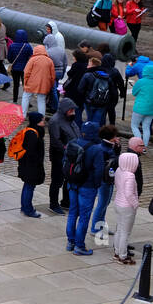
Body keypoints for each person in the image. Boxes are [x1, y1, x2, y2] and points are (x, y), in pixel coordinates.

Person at [66, 123, 105, 256]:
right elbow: (99, 170)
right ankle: (79, 246)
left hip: (72, 184)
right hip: (87, 187)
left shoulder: (73, 143)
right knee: (84, 217)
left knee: (72, 213)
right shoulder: (96, 149)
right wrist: (96, 184)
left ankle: (70, 242)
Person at [47, 99, 80, 214]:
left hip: (71, 155)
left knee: (68, 179)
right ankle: (53, 204)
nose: (73, 112)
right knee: (57, 181)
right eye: (71, 110)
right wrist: (67, 149)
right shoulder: (55, 121)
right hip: (59, 157)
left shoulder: (69, 119)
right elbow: (56, 141)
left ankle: (66, 202)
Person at [16, 112, 46, 217]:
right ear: (37, 121)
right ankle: (27, 209)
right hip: (31, 166)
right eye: (42, 120)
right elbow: (31, 152)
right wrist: (37, 165)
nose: (44, 122)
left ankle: (25, 207)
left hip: (29, 165)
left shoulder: (34, 131)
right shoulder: (32, 134)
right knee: (29, 187)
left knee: (28, 186)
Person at [111, 150, 140, 265]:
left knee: (119, 230)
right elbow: (129, 194)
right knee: (125, 233)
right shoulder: (130, 176)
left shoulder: (119, 170)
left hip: (118, 203)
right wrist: (136, 203)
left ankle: (117, 253)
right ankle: (123, 257)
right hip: (127, 207)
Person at [22, 42, 54, 116]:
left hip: (31, 83)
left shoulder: (32, 59)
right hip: (44, 84)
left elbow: (26, 72)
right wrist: (50, 85)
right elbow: (53, 76)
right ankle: (41, 118)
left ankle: (23, 115)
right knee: (41, 100)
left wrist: (25, 82)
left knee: (26, 97)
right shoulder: (50, 61)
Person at [131, 69, 153, 145]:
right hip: (151, 109)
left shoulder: (141, 81)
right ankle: (145, 146)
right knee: (146, 127)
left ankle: (139, 144)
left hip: (139, 108)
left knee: (134, 126)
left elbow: (134, 93)